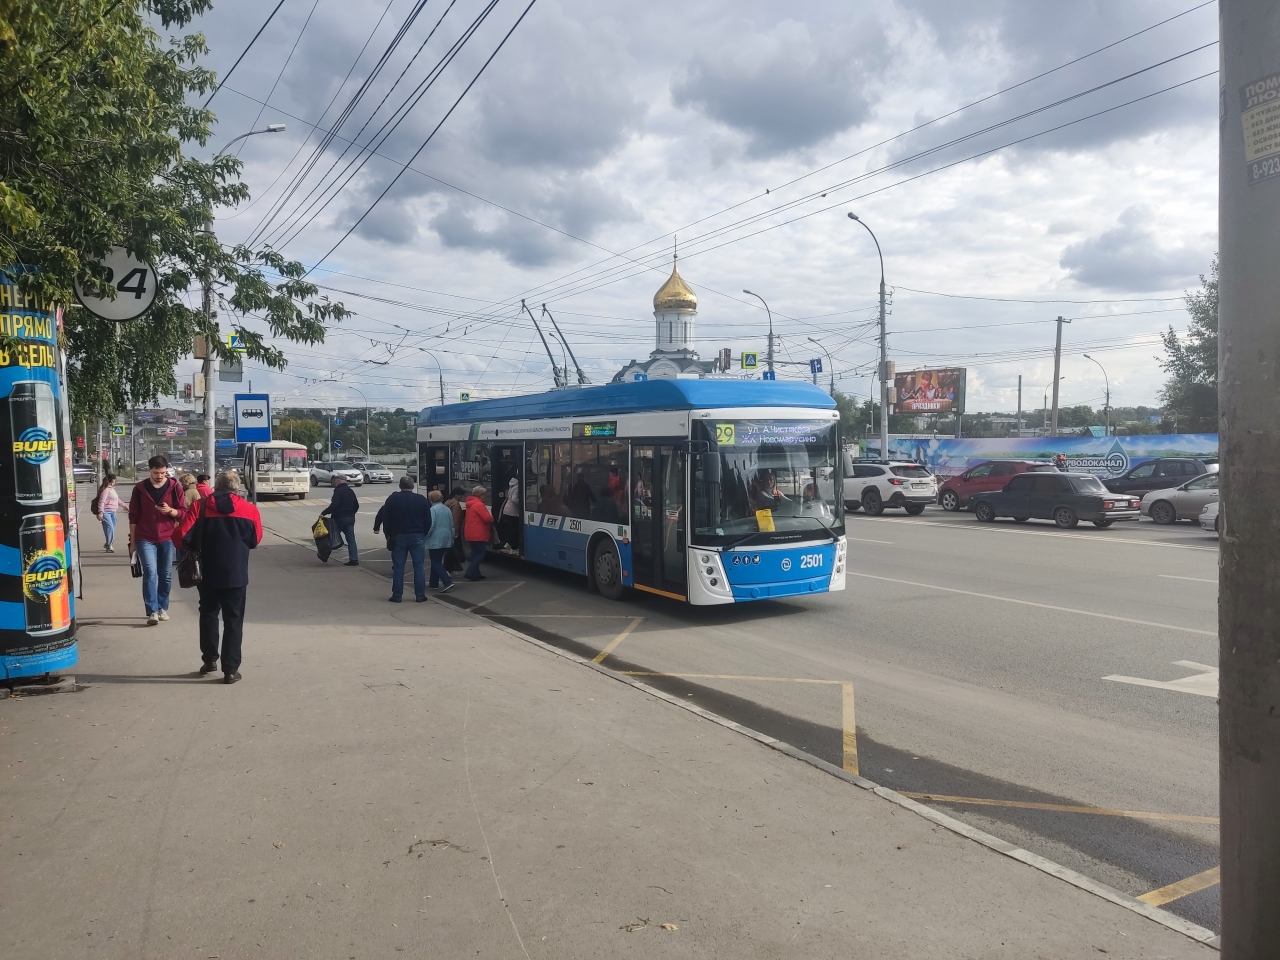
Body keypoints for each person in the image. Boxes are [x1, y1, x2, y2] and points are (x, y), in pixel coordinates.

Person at [177, 470, 262, 684]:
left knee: (208, 613)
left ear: (217, 486)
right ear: (237, 488)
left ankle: (209, 660)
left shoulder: (200, 507)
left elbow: (179, 537)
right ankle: (231, 670)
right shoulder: (249, 509)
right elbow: (255, 540)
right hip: (236, 573)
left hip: (206, 571)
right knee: (233, 620)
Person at [128, 456, 187, 625]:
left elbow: (183, 512)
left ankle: (163, 608)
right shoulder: (139, 489)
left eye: (162, 472)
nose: (159, 476)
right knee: (150, 572)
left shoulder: (175, 487)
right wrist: (133, 542)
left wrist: (170, 511)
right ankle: (152, 611)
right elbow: (133, 517)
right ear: (149, 470)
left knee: (166, 575)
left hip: (168, 537)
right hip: (145, 537)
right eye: (156, 473)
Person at [378, 476, 432, 603]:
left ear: (400, 486)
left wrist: (388, 535)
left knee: (398, 567)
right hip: (417, 535)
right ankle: (420, 595)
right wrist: (423, 533)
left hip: (398, 536)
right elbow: (428, 520)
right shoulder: (421, 499)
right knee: (419, 566)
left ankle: (397, 595)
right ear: (413, 486)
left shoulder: (392, 499)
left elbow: (386, 519)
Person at [321, 474, 360, 566]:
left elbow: (334, 505)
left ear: (339, 480)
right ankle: (354, 559)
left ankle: (324, 556)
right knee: (351, 539)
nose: (334, 482)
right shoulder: (350, 491)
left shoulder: (338, 491)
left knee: (331, 537)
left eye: (334, 481)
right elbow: (356, 505)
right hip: (350, 518)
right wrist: (351, 513)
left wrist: (324, 513)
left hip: (340, 518)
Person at [463, 485, 494, 581]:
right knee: (480, 555)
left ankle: (476, 574)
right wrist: (493, 517)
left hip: (470, 533)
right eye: (484, 495)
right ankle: (469, 572)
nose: (485, 497)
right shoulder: (479, 505)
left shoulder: (471, 504)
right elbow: (487, 518)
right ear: (480, 495)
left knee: (475, 553)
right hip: (478, 534)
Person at [426, 490, 454, 592]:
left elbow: (431, 525)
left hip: (435, 539)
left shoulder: (432, 510)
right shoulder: (447, 509)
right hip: (446, 538)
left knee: (436, 561)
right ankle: (433, 583)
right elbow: (452, 525)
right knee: (437, 560)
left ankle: (447, 581)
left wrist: (425, 535)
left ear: (431, 499)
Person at [94, 474, 122, 553]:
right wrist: (100, 512)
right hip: (106, 512)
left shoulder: (111, 489)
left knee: (110, 529)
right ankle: (109, 545)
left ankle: (108, 544)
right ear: (112, 481)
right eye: (115, 480)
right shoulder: (106, 490)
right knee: (110, 528)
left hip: (113, 512)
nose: (115, 481)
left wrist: (125, 506)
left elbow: (117, 500)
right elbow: (101, 501)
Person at [444, 486, 466, 572]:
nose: (462, 498)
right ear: (457, 495)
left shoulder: (447, 501)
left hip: (447, 528)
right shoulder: (455, 504)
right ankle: (450, 568)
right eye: (461, 496)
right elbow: (456, 519)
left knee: (450, 550)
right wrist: (457, 531)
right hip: (453, 530)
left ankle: (451, 567)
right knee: (453, 551)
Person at [497, 475, 521, 553]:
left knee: (509, 529)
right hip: (513, 511)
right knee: (514, 529)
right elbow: (515, 499)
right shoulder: (517, 486)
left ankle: (507, 543)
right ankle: (512, 545)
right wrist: (523, 503)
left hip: (507, 510)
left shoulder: (511, 485)